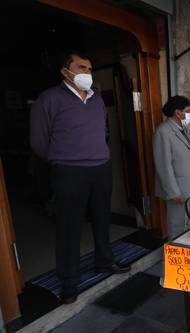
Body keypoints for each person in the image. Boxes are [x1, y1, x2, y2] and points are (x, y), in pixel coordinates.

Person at [30, 52, 130, 304]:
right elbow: (39, 141)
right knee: (69, 227)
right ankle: (69, 281)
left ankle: (105, 262)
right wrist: (63, 158)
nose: (87, 72)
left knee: (101, 218)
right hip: (69, 171)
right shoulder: (50, 98)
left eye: (90, 68)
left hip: (100, 168)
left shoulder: (96, 100)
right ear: (66, 71)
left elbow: (102, 132)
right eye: (81, 67)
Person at [153, 96, 190, 240]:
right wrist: (173, 192)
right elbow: (163, 165)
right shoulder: (163, 132)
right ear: (178, 113)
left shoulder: (180, 129)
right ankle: (175, 257)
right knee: (177, 227)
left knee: (188, 225)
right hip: (177, 190)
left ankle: (186, 255)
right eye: (187, 111)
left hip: (188, 187)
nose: (189, 114)